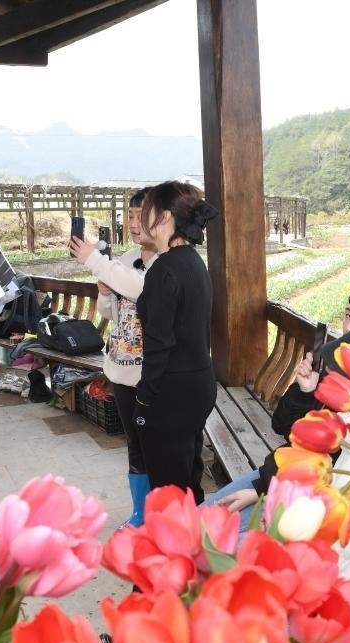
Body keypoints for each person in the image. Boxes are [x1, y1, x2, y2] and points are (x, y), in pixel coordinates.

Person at [205, 284, 350, 526]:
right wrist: (307, 391)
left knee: (206, 532)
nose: (349, 326)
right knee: (201, 520)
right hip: (279, 474)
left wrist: (261, 490)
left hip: (304, 496)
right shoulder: (337, 367)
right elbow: (283, 427)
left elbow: (334, 464)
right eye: (348, 315)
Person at [70, 188, 157, 526]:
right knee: (134, 444)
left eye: (140, 216)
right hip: (121, 369)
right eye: (130, 215)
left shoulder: (166, 263)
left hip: (150, 374)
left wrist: (97, 262)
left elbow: (141, 289)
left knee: (156, 446)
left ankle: (160, 513)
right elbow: (109, 312)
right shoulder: (124, 260)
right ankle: (140, 512)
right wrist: (104, 292)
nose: (133, 223)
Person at [133, 181, 218, 504]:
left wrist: (144, 398)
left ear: (165, 217)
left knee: (169, 490)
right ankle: (195, 530)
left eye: (147, 210)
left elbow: (159, 343)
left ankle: (179, 535)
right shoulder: (192, 261)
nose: (141, 218)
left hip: (171, 391)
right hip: (198, 383)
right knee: (186, 477)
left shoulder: (164, 269)